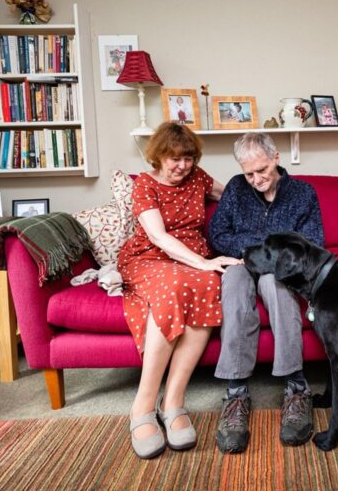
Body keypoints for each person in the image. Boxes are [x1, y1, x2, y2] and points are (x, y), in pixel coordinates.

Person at [117, 122, 241, 459]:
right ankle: (142, 405)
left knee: (209, 283)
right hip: (150, 257)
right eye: (174, 159)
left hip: (192, 261)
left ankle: (173, 400)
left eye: (188, 158)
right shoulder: (145, 185)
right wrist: (201, 262)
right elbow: (158, 237)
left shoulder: (197, 177)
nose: (182, 166)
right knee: (174, 286)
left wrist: (268, 187)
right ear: (158, 156)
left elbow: (232, 193)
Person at [209, 132, 325, 453]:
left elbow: (313, 242)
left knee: (277, 285)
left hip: (280, 266)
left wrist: (272, 258)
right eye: (249, 173)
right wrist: (250, 251)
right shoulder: (236, 188)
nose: (256, 179)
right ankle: (235, 394)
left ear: (275, 156)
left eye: (262, 170)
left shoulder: (302, 193)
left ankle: (296, 387)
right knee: (232, 285)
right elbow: (218, 233)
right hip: (242, 260)